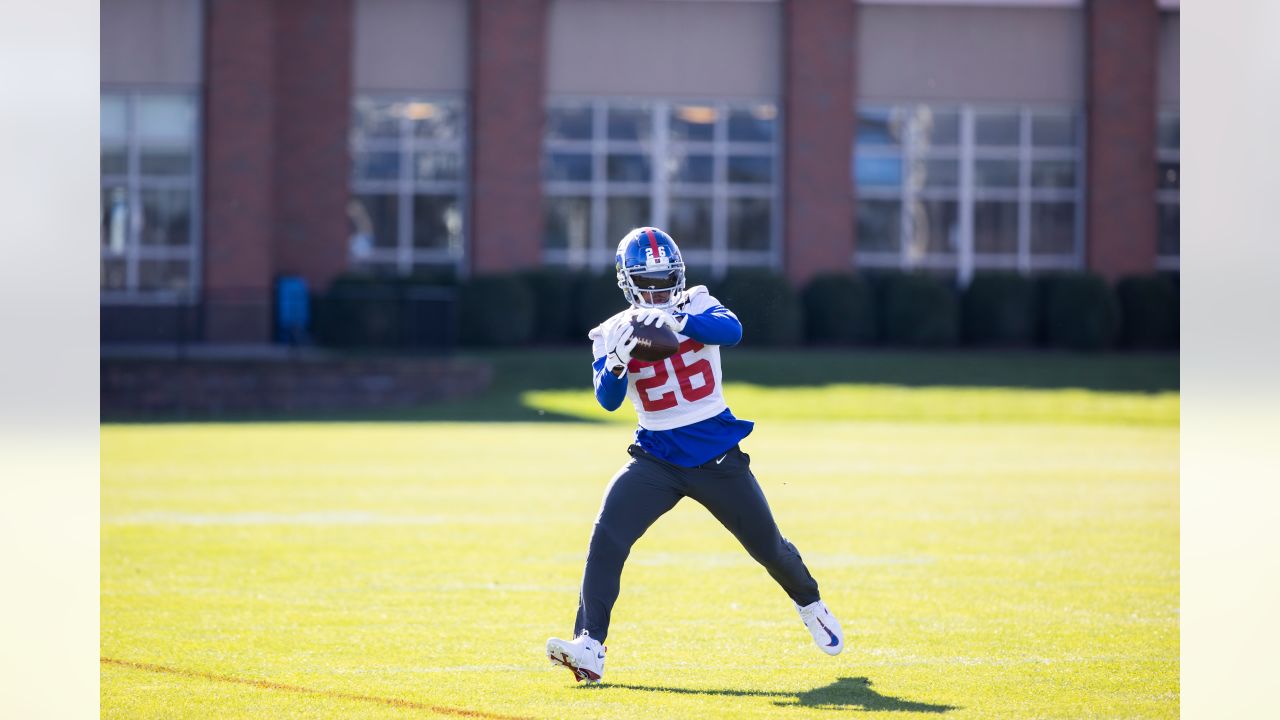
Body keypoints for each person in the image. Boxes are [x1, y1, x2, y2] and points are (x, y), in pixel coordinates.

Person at [545, 227, 844, 684]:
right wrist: (619, 363)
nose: (658, 289)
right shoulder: (612, 331)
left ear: (679, 275)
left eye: (666, 279)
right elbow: (607, 400)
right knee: (606, 539)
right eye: (647, 281)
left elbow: (733, 330)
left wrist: (677, 323)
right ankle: (589, 645)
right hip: (656, 457)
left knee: (769, 548)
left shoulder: (697, 304)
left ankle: (810, 603)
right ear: (627, 282)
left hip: (715, 453)